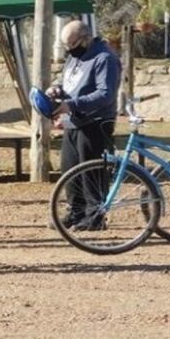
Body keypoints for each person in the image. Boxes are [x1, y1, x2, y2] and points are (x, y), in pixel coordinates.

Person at [47, 20, 122, 230]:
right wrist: (57, 90)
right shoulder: (75, 57)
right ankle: (76, 211)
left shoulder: (105, 58)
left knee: (92, 172)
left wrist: (70, 105)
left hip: (96, 123)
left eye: (72, 44)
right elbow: (70, 83)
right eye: (66, 46)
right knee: (70, 170)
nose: (70, 50)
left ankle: (95, 216)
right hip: (74, 121)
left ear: (86, 38)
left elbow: (105, 94)